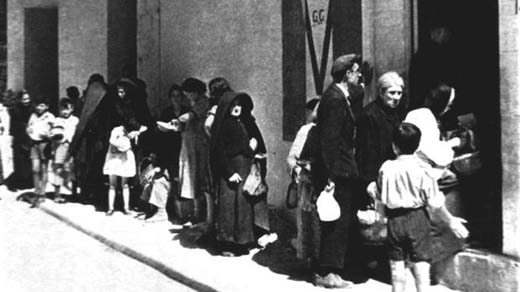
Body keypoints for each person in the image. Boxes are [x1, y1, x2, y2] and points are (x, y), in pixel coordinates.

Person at [367, 122, 468, 292]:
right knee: (421, 267)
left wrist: (380, 219)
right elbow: (435, 201)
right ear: (417, 146)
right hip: (417, 219)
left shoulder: (386, 168)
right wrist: (451, 221)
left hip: (394, 221)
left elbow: (378, 194)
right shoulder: (422, 169)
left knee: (397, 270)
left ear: (394, 146)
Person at [312, 54, 366, 288]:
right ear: (347, 74)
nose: (360, 74)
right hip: (337, 172)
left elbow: (357, 93)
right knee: (335, 223)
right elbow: (329, 141)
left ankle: (334, 268)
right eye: (356, 71)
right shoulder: (334, 99)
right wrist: (330, 177)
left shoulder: (339, 95)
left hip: (342, 169)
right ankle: (327, 273)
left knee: (341, 221)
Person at [210, 92, 258, 256]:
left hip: (243, 169)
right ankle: (227, 243)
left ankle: (241, 241)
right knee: (228, 208)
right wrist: (229, 172)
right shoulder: (223, 125)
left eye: (239, 105)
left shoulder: (240, 123)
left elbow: (243, 147)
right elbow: (219, 151)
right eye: (233, 105)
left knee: (242, 206)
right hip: (230, 171)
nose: (237, 108)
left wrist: (252, 147)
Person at [145, 83, 188, 222]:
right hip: (170, 151)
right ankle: (161, 212)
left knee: (182, 181)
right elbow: (160, 136)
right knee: (162, 178)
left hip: (184, 151)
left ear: (182, 98)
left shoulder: (187, 113)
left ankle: (184, 214)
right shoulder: (166, 113)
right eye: (173, 96)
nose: (176, 99)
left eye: (178, 96)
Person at [356, 71, 405, 191]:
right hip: (375, 177)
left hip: (391, 172)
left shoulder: (395, 112)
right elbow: (366, 152)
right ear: (381, 92)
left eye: (399, 93)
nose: (396, 98)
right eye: (392, 93)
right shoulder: (369, 114)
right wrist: (371, 183)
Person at [103, 81, 145, 215]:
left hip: (126, 146)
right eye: (118, 91)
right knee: (113, 181)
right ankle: (111, 207)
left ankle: (126, 207)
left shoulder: (131, 107)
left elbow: (133, 122)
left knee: (125, 181)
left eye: (122, 91)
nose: (119, 94)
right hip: (115, 145)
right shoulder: (113, 106)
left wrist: (136, 130)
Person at [286, 98, 320, 263]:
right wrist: (301, 172)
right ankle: (310, 261)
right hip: (309, 186)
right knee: (310, 224)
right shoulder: (306, 130)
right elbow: (292, 158)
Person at [404, 84, 462, 180]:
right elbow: (434, 153)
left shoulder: (419, 113)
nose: (448, 109)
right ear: (441, 103)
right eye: (448, 105)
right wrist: (452, 144)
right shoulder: (425, 117)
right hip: (420, 172)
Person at [69, 74, 111, 205]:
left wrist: (73, 146)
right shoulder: (106, 95)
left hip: (90, 139)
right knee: (98, 167)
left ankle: (87, 194)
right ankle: (97, 195)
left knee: (88, 166)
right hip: (101, 139)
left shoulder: (86, 97)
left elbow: (82, 119)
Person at [177, 78, 213, 229]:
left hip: (200, 146)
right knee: (191, 178)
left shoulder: (203, 102)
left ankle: (201, 214)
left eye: (189, 94)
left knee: (198, 177)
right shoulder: (191, 103)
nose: (188, 97)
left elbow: (189, 117)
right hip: (190, 145)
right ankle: (196, 212)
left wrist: (178, 119)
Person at [26, 96, 55, 207]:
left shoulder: (50, 117)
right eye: (37, 105)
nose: (39, 107)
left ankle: (42, 193)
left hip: (45, 144)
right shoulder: (33, 116)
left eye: (42, 105)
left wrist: (49, 135)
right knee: (35, 169)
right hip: (34, 143)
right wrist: (28, 131)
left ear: (47, 106)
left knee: (43, 169)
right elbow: (29, 127)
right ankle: (37, 190)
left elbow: (55, 130)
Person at [50, 98, 79, 203]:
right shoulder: (57, 120)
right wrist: (53, 150)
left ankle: (74, 193)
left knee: (72, 169)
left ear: (72, 109)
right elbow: (53, 136)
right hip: (60, 146)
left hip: (72, 146)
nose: (65, 111)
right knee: (58, 169)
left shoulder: (76, 120)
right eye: (63, 109)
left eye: (67, 109)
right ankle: (57, 194)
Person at [6, 90, 33, 191]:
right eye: (24, 99)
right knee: (19, 162)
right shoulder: (15, 110)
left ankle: (27, 182)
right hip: (19, 138)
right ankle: (15, 183)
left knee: (27, 161)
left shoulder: (31, 109)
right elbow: (13, 126)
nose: (27, 101)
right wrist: (23, 127)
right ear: (20, 100)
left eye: (28, 99)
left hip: (29, 138)